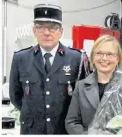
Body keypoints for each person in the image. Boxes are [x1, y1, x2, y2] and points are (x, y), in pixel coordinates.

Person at [9, 4, 88, 134]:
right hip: (32, 129)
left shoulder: (76, 59)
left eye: (52, 28)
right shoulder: (20, 58)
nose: (46, 33)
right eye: (41, 27)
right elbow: (15, 96)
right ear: (34, 30)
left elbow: (82, 97)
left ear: (61, 31)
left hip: (63, 130)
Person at [65, 35, 122, 134]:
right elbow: (71, 122)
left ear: (118, 58)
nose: (104, 58)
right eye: (99, 53)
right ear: (92, 57)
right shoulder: (80, 86)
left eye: (110, 54)